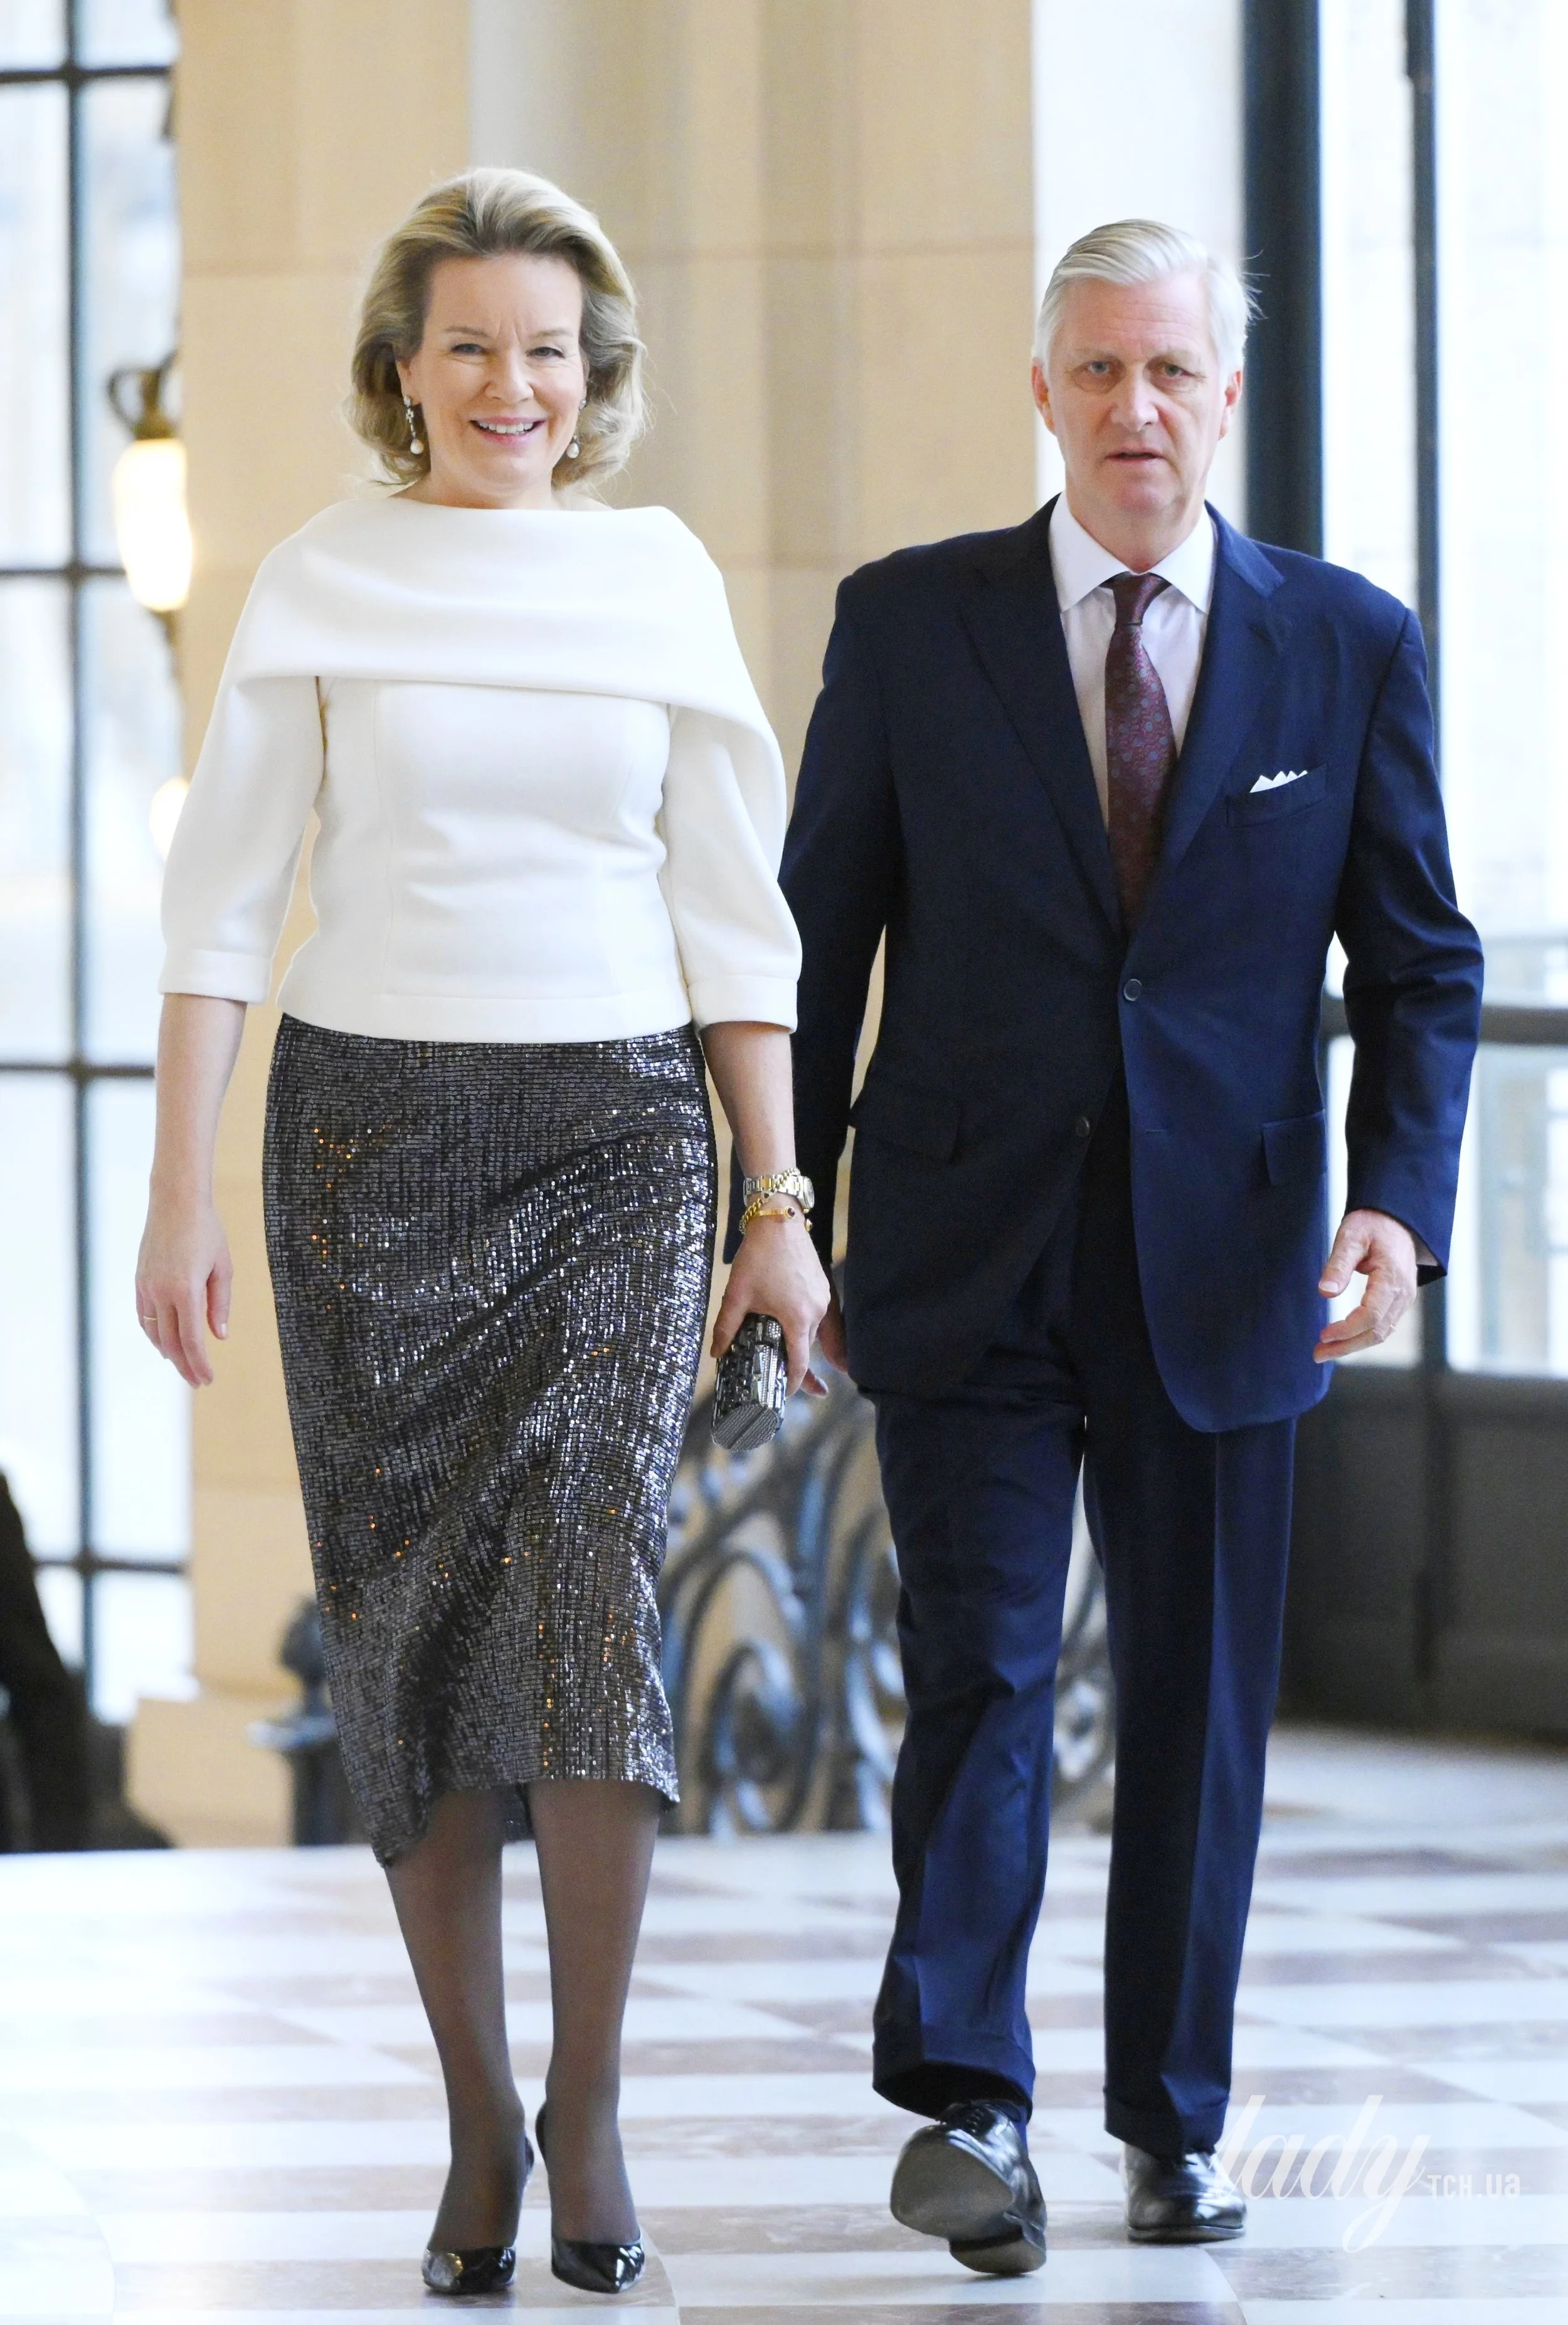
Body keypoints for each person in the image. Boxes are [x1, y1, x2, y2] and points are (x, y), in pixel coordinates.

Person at [137, 168, 828, 2300]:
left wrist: (778, 1204)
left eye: (547, 349)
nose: (509, 385)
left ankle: (592, 2109)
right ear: (401, 371)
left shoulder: (655, 581)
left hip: (622, 1137)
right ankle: (472, 2125)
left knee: (588, 1603)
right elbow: (223, 905)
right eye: (470, 347)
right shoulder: (323, 579)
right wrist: (178, 1184)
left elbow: (734, 910)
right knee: (413, 1635)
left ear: (590, 375)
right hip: (365, 1144)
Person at [780, 219, 1482, 2268]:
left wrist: (1396, 1204)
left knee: (1192, 1706)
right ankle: (968, 2109)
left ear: (1226, 398)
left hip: (1232, 1260)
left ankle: (1171, 2122)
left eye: (1169, 372)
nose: (1134, 409)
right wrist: (780, 1214)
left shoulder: (1342, 642)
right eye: (1095, 371)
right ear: (1041, 392)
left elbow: (1418, 964)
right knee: (982, 1672)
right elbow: (816, 947)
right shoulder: (913, 629)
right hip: (962, 1252)